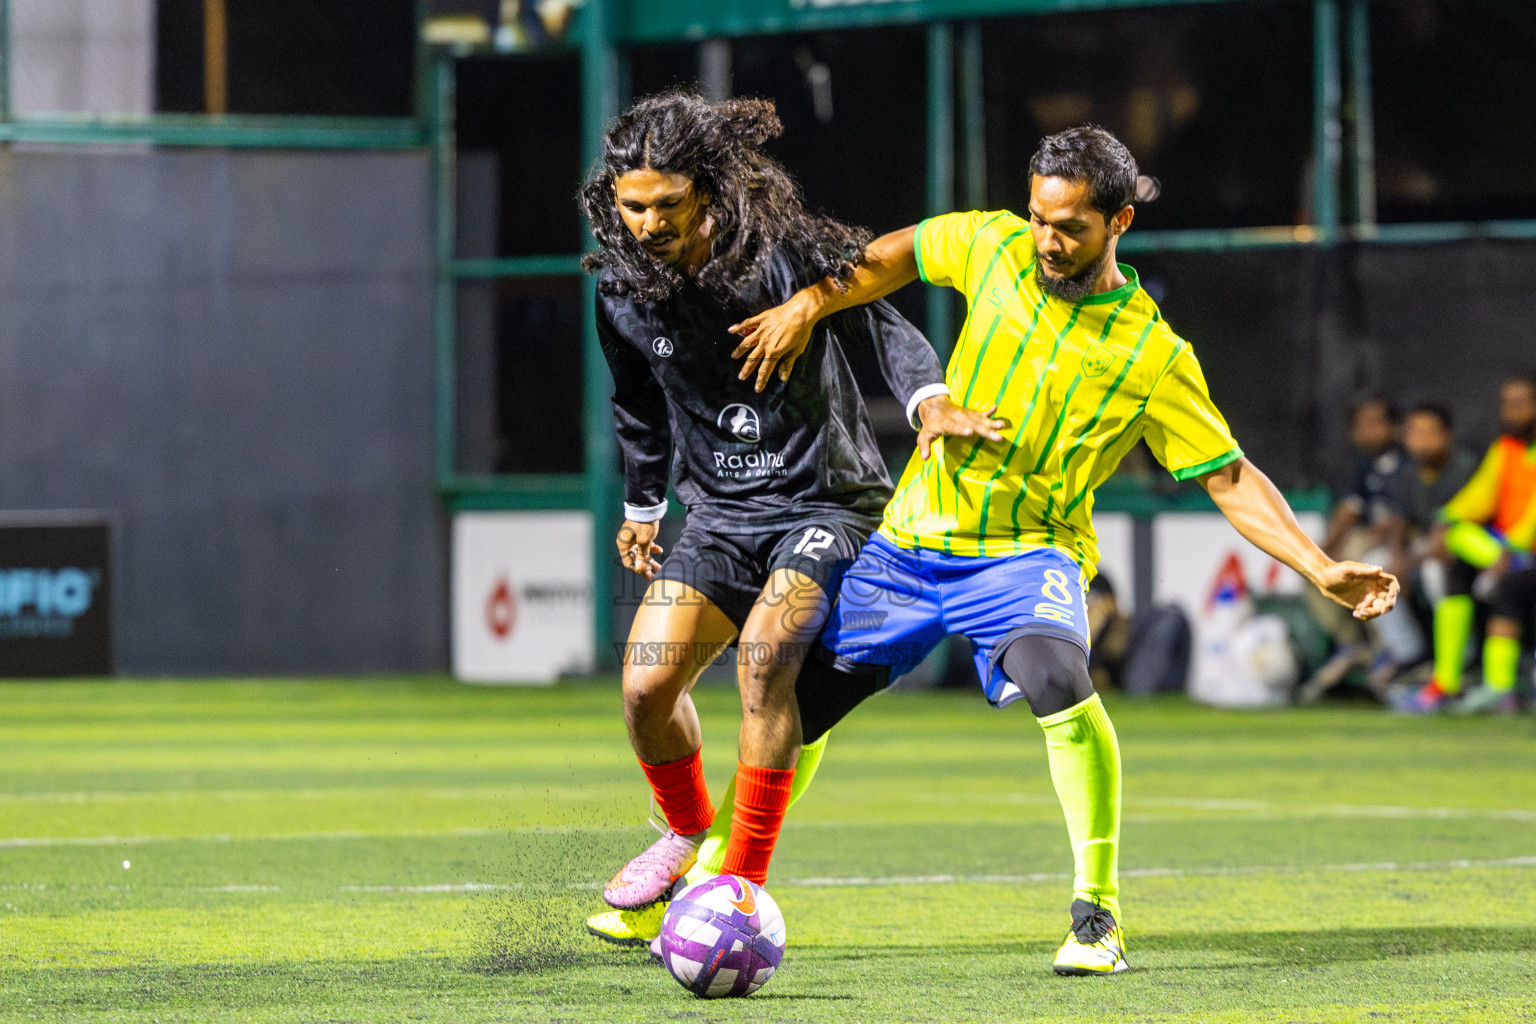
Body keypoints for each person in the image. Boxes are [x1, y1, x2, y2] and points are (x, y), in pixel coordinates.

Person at [727, 125, 1399, 974]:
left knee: (1057, 680)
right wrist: (808, 304)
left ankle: (1097, 915)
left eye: (1070, 227)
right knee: (796, 707)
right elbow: (892, 257)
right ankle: (720, 875)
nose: (1047, 240)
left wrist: (1320, 567)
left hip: (1027, 556)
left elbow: (1229, 477)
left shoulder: (1153, 355)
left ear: (1119, 221)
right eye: (1040, 218)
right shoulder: (994, 244)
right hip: (911, 544)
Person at [576, 91, 992, 944]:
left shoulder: (778, 252)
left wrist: (930, 401)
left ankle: (738, 891)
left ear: (707, 190)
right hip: (721, 515)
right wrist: (643, 506)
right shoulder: (619, 288)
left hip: (825, 502)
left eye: (667, 204)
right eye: (632, 205)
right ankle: (686, 835)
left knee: (767, 661)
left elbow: (883, 318)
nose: (648, 224)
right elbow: (636, 406)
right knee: (646, 686)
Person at [1399, 374, 1536, 714]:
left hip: (1521, 551)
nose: (1512, 412)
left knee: (1511, 584)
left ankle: (1500, 686)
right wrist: (1446, 518)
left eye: (1522, 403)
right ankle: (1446, 681)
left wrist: (1512, 548)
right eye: (1507, 404)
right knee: (1455, 562)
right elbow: (1479, 495)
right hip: (1507, 553)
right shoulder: (1505, 448)